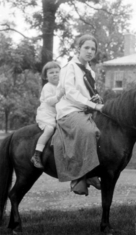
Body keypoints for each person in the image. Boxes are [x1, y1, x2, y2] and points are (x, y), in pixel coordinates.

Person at [53, 34, 103, 196]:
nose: (89, 51)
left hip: (83, 109)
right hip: (68, 110)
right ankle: (83, 176)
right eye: (86, 48)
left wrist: (94, 98)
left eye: (93, 49)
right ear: (78, 49)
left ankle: (92, 171)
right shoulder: (69, 67)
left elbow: (86, 95)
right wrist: (92, 104)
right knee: (88, 131)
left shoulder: (91, 72)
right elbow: (71, 92)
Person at [31, 61, 63, 169]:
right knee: (49, 129)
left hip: (56, 114)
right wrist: (59, 96)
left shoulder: (61, 86)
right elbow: (50, 101)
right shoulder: (47, 87)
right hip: (46, 114)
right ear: (46, 76)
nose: (54, 74)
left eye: (57, 72)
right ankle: (37, 154)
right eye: (51, 73)